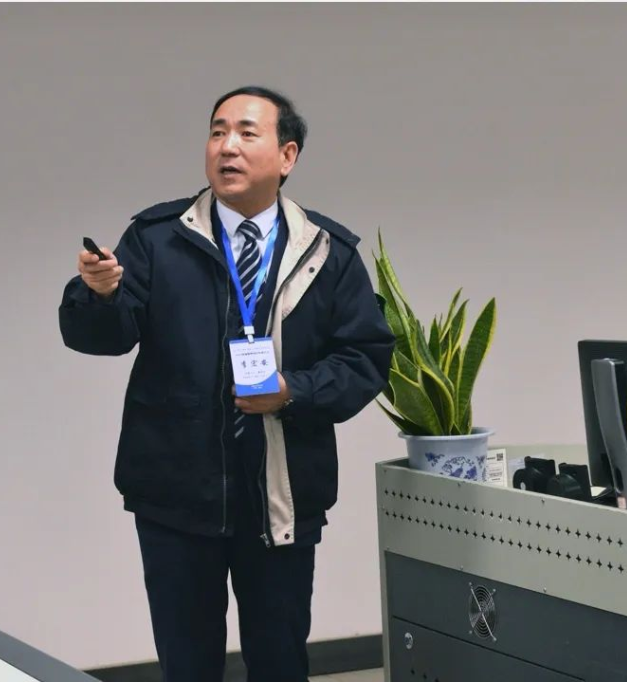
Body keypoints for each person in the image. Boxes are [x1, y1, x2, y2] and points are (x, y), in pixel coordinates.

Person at [59, 86, 394, 682]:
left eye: (245, 133)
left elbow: (365, 358)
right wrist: (100, 295)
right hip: (175, 495)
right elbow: (106, 337)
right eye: (217, 132)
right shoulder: (158, 238)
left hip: (281, 497)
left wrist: (291, 391)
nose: (226, 147)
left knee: (279, 660)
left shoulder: (328, 251)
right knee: (187, 664)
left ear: (287, 156)